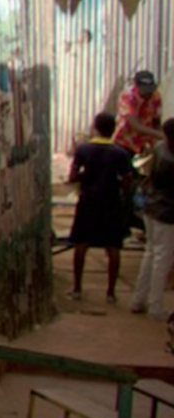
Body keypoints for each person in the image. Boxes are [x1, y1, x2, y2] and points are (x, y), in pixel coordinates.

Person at [66, 111, 136, 305]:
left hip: (88, 201)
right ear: (113, 130)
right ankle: (111, 293)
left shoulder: (84, 149)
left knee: (81, 244)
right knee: (113, 247)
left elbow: (72, 176)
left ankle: (77, 288)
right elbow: (127, 181)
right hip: (111, 203)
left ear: (95, 127)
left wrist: (86, 177)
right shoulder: (120, 153)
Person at [131, 119, 174, 318]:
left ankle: (139, 300)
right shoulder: (170, 159)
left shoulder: (159, 148)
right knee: (161, 259)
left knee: (150, 254)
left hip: (151, 207)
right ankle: (155, 306)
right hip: (166, 212)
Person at [118, 70, 163, 157]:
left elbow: (156, 121)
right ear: (136, 87)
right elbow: (136, 126)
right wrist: (161, 135)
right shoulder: (127, 96)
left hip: (145, 143)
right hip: (125, 141)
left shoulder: (156, 96)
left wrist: (158, 141)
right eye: (144, 91)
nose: (148, 94)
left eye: (150, 90)